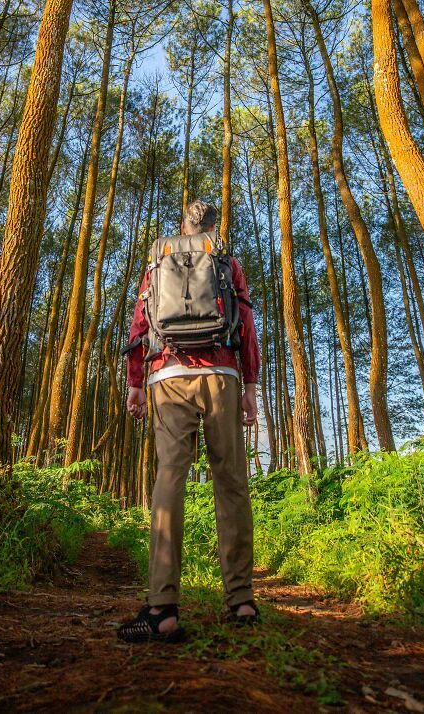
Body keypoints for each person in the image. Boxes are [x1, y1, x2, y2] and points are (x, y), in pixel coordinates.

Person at [117, 200, 261, 644]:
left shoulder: (157, 261)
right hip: (221, 374)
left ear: (182, 226)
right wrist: (250, 385)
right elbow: (247, 324)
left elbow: (141, 324)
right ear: (213, 228)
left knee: (170, 478)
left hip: (168, 374)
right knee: (231, 480)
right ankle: (241, 600)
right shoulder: (226, 261)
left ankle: (161, 608)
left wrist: (136, 382)